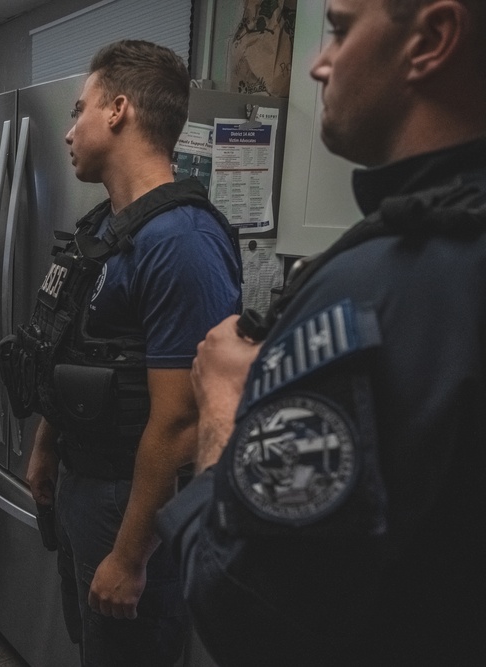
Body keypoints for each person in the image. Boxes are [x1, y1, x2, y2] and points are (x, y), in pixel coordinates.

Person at [156, 1, 486, 665]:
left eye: (338, 29)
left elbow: (239, 605)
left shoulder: (372, 293)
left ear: (433, 40)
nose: (317, 63)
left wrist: (221, 405)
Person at [9, 41, 242, 665]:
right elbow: (80, 347)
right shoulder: (106, 229)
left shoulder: (181, 242)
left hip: (132, 498)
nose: (68, 130)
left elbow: (183, 419)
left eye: (78, 109)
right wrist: (46, 445)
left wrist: (131, 555)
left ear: (117, 111)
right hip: (86, 481)